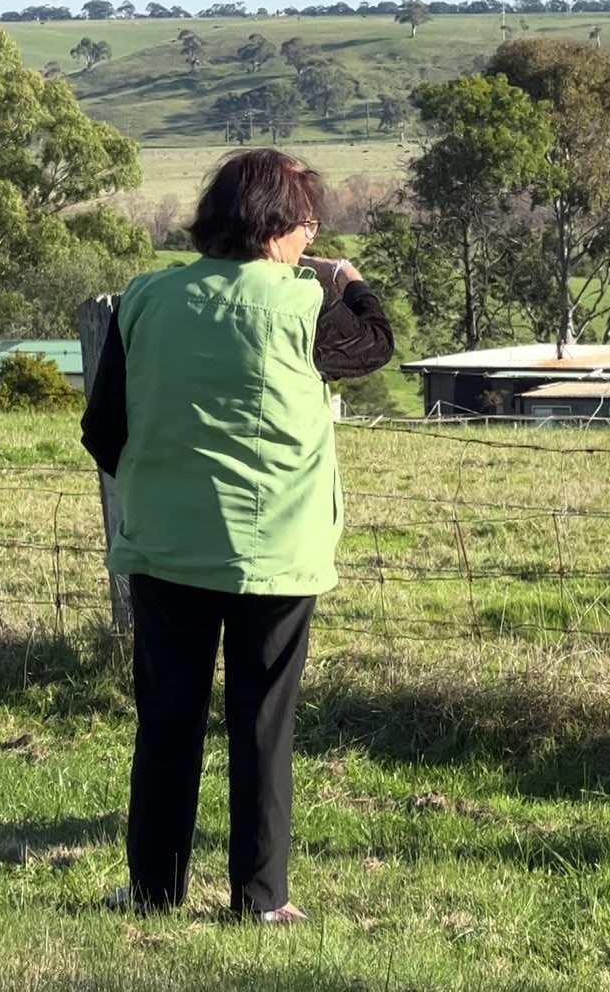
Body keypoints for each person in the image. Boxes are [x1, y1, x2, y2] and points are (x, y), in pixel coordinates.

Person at [80, 149, 394, 922]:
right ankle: (260, 900)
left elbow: (102, 430)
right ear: (280, 226)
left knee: (166, 723)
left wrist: (164, 479)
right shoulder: (302, 304)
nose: (310, 238)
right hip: (277, 549)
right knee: (262, 728)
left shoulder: (146, 298)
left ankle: (153, 891)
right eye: (307, 223)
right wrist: (348, 280)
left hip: (164, 545)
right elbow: (376, 345)